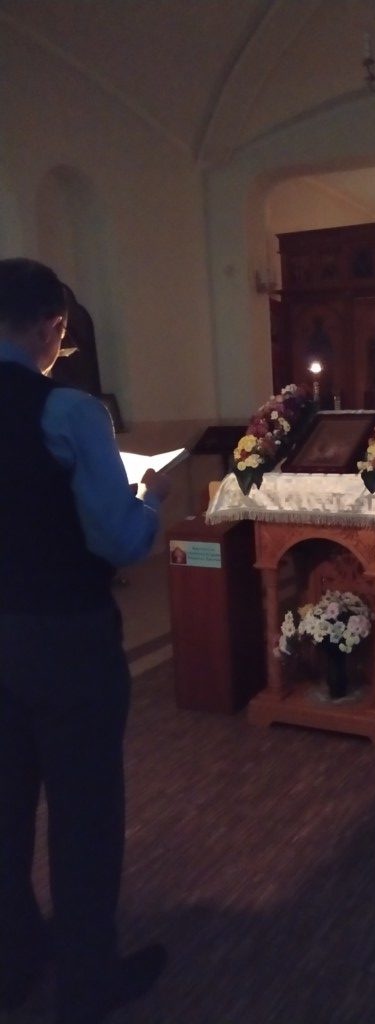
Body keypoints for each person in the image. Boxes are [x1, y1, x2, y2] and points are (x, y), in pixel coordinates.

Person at [0, 259, 171, 1023]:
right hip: (66, 638)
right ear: (51, 325)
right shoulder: (68, 410)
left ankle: (13, 962)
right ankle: (85, 978)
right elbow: (117, 539)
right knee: (84, 811)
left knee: (3, 810)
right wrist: (150, 500)